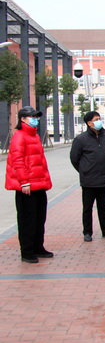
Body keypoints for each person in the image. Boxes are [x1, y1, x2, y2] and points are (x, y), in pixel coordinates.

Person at [5, 106, 53, 263]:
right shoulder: (19, 136)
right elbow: (17, 161)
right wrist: (24, 182)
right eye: (32, 117)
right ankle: (27, 252)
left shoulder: (35, 136)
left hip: (39, 184)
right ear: (23, 119)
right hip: (27, 186)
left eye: (36, 117)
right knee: (27, 220)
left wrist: (45, 181)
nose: (35, 119)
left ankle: (38, 247)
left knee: (39, 218)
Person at [70, 111, 105, 242]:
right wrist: (84, 171)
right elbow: (74, 159)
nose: (99, 121)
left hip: (103, 178)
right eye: (96, 119)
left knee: (103, 207)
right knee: (87, 208)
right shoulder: (80, 139)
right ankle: (87, 232)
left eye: (99, 118)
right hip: (88, 180)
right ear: (89, 123)